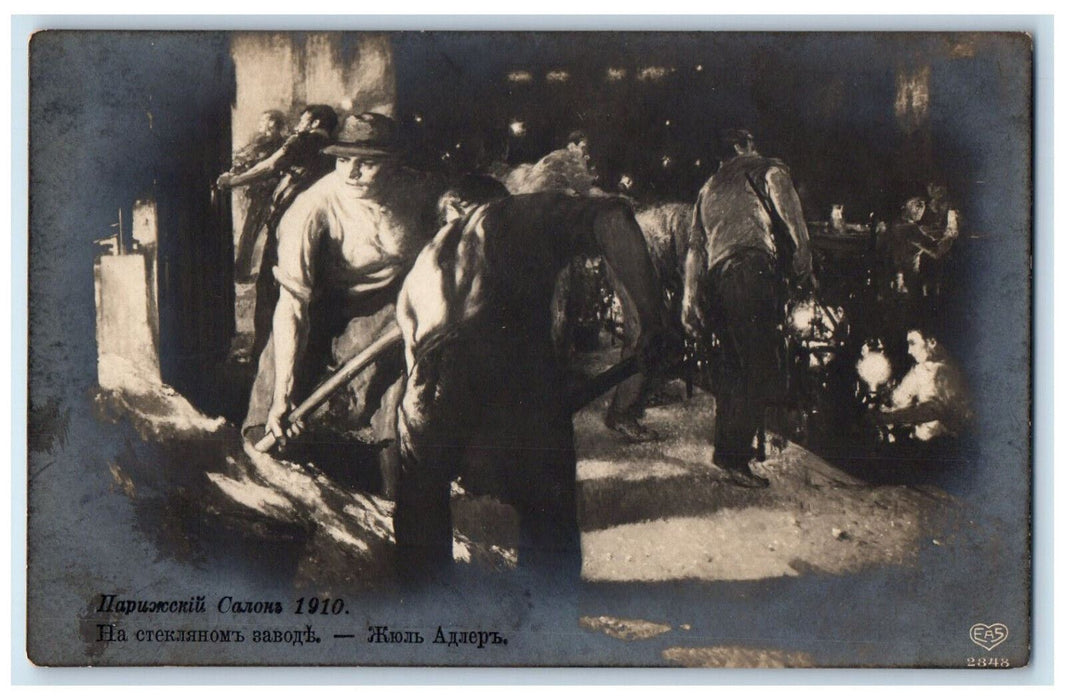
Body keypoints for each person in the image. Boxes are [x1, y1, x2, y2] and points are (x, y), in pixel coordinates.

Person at [393, 189, 668, 581]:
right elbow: (611, 217)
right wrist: (653, 321)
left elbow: (417, 368)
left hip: (429, 380)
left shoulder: (426, 260)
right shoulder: (513, 213)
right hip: (510, 365)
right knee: (547, 505)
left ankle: (423, 606)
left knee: (421, 497)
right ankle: (549, 616)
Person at [243, 112, 446, 494]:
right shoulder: (312, 208)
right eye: (342, 160)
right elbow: (292, 307)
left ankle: (397, 504)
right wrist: (282, 397)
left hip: (394, 311)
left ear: (391, 164)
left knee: (400, 409)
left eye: (366, 163)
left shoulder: (421, 193)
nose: (351, 173)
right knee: (273, 414)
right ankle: (267, 487)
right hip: (320, 309)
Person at [681, 128, 813, 489]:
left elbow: (695, 249)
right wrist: (805, 266)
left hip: (715, 280)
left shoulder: (707, 189)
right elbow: (793, 222)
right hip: (751, 272)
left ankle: (727, 452)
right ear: (746, 146)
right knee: (760, 364)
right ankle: (736, 457)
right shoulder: (767, 169)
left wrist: (689, 299)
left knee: (731, 368)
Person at [217, 104, 339, 360]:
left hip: (289, 227)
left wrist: (232, 181)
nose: (297, 124)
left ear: (316, 123)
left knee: (270, 289)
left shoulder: (302, 141)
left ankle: (263, 354)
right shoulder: (336, 150)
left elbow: (269, 167)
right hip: (324, 229)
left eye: (303, 120)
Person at [878, 328, 971, 444]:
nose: (909, 351)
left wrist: (889, 417)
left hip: (942, 445)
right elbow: (900, 399)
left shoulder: (945, 371)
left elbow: (931, 410)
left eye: (913, 343)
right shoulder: (919, 369)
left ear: (932, 342)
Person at [226, 110, 287, 280]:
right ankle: (241, 271)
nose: (260, 125)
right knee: (250, 232)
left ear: (273, 124)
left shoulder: (282, 145)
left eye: (264, 122)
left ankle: (259, 272)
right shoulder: (260, 143)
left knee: (265, 233)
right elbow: (243, 159)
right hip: (260, 194)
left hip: (272, 193)